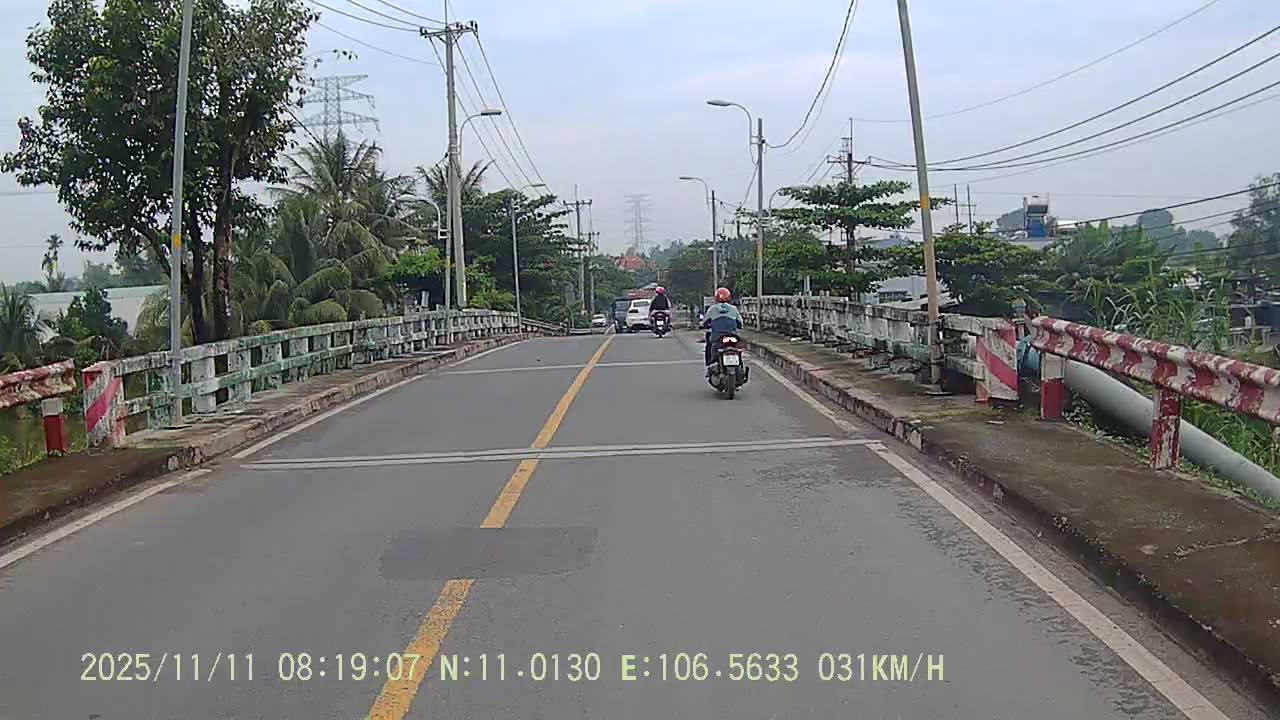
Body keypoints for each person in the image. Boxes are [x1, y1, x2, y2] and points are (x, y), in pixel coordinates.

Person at [701, 287, 742, 371]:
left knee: (709, 344)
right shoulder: (734, 309)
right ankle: (740, 364)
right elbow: (740, 324)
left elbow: (704, 323)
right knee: (738, 348)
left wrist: (705, 325)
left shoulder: (712, 309)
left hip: (717, 337)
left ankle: (710, 363)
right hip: (732, 336)